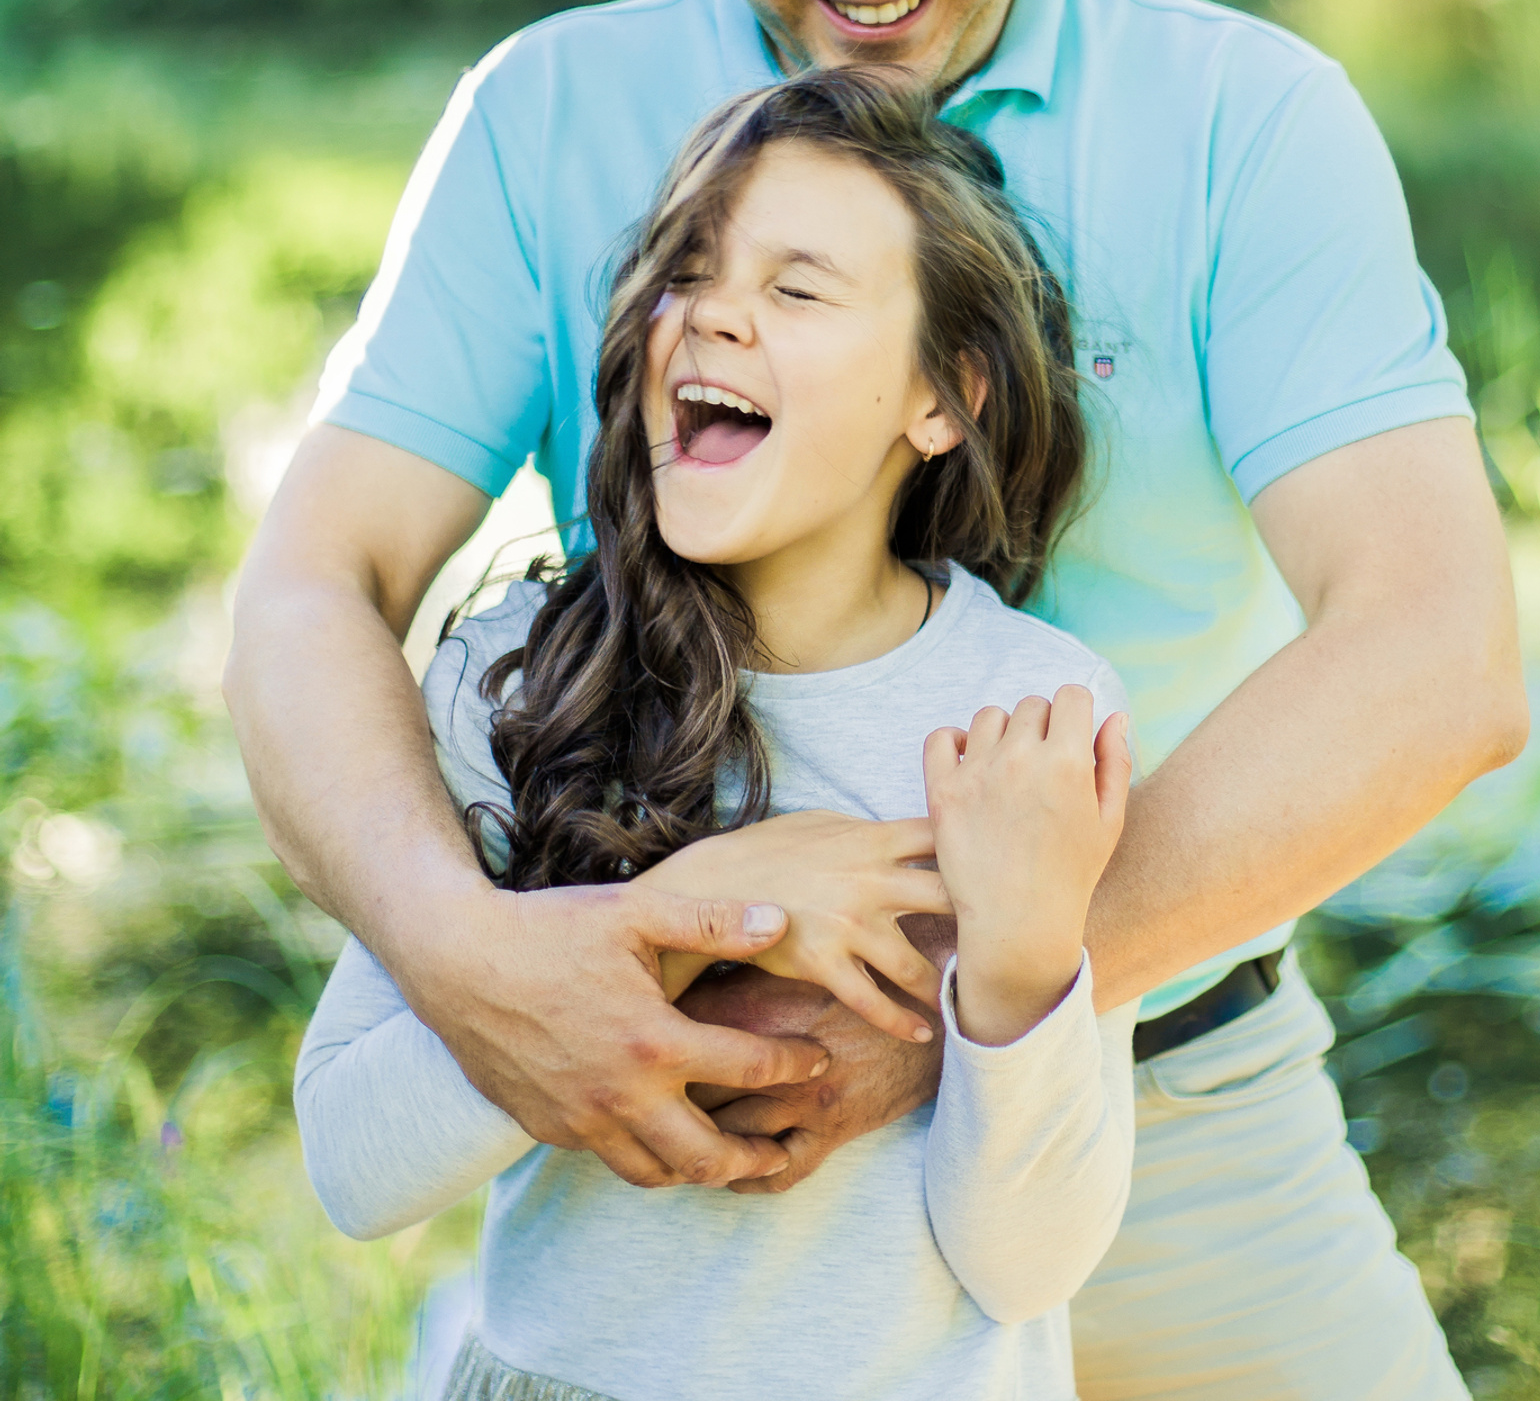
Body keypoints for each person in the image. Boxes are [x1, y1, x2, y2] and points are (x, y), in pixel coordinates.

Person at [225, 0, 1529, 1399]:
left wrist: (966, 1002)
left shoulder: (1249, 120)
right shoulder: (546, 117)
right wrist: (480, 969)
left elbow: (1437, 652)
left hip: (1171, 1096)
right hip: (682, 1131)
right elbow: (310, 586)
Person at [295, 70, 1139, 1400]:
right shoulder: (522, 677)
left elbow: (1028, 1265)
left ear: (945, 397)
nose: (712, 318)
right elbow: (354, 1162)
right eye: (686, 274)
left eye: (798, 291)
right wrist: (695, 915)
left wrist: (1027, 963)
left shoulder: (1037, 715)